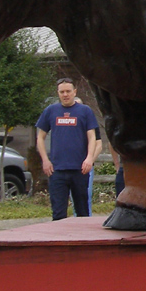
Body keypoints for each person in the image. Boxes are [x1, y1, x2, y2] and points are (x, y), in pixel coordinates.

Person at [36, 78, 99, 220]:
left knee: (82, 212)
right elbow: (40, 137)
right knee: (58, 213)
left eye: (68, 91)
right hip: (57, 170)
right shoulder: (51, 111)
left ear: (74, 92)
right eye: (62, 92)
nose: (65, 95)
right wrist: (45, 160)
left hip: (79, 169)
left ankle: (83, 239)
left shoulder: (85, 111)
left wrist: (89, 158)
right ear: (58, 93)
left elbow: (92, 137)